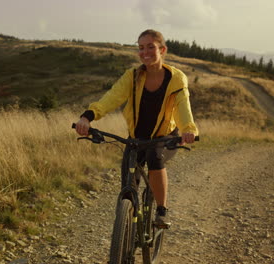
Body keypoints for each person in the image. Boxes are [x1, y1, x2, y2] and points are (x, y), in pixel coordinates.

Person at [75, 29, 198, 227]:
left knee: (154, 157)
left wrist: (188, 129)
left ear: (162, 49)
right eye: (141, 48)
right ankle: (126, 237)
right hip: (136, 139)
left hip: (164, 139)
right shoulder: (132, 76)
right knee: (128, 186)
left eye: (151, 47)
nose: (145, 52)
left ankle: (161, 210)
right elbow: (111, 98)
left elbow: (183, 107)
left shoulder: (176, 78)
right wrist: (88, 117)